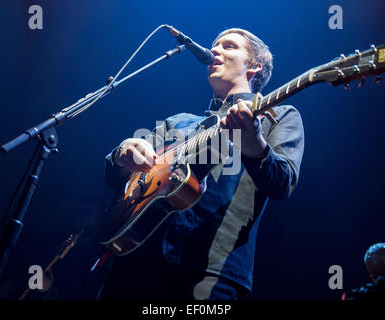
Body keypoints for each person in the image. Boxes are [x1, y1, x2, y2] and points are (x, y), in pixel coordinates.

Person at [98, 28, 305, 300]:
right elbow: (116, 179)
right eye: (214, 46)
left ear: (255, 65)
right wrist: (122, 153)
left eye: (229, 46)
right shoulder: (179, 121)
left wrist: (254, 143)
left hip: (211, 272)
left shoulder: (276, 116)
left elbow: (283, 184)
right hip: (137, 259)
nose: (215, 51)